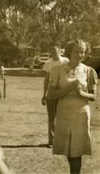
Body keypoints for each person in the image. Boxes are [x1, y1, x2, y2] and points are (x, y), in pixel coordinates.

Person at [48, 39, 98, 174]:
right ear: (69, 51)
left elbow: (93, 96)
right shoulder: (56, 70)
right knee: (67, 149)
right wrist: (68, 88)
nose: (80, 54)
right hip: (63, 113)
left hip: (81, 113)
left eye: (82, 51)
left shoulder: (89, 71)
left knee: (76, 150)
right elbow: (51, 95)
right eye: (77, 51)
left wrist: (82, 93)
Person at [41, 42, 69, 147]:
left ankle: (63, 140)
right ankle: (51, 141)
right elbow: (47, 79)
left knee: (63, 116)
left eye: (54, 49)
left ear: (60, 50)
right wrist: (44, 94)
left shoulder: (66, 61)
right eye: (51, 50)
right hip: (52, 91)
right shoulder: (48, 63)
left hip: (63, 91)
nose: (52, 52)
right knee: (51, 117)